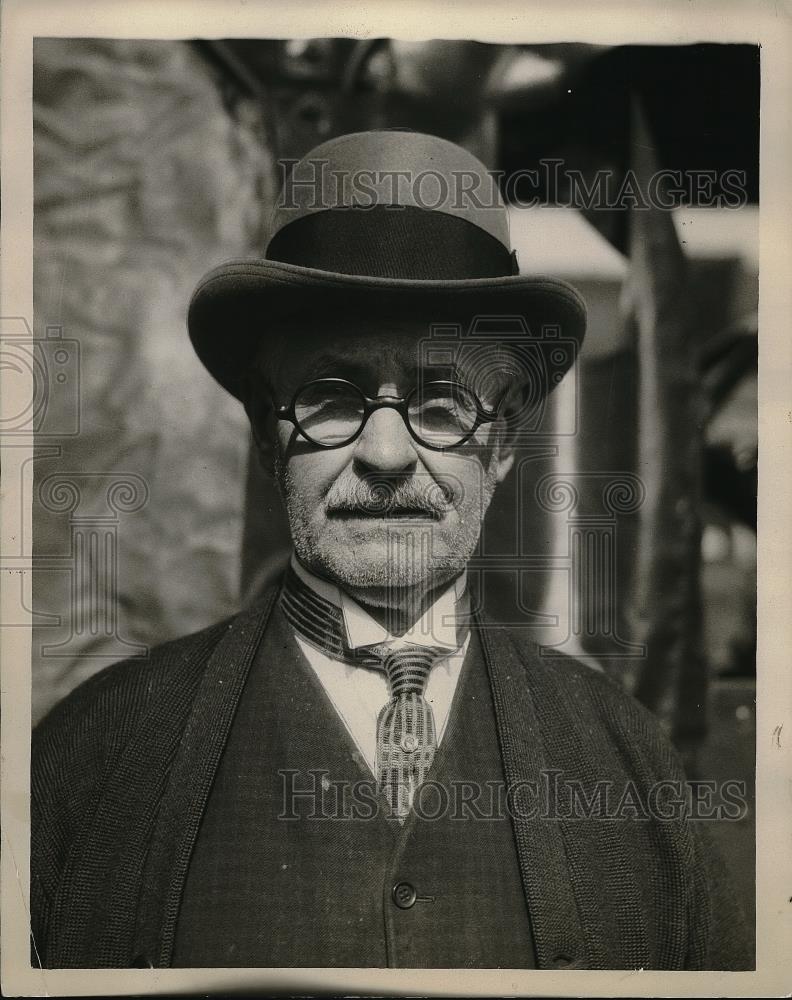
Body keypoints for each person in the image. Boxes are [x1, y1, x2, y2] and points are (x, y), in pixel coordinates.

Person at [31, 130, 751, 970]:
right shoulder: (92, 758)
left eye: (441, 401)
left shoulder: (627, 761)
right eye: (330, 398)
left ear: (505, 441)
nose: (383, 456)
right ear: (269, 433)